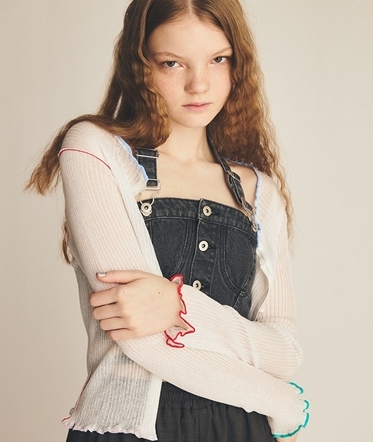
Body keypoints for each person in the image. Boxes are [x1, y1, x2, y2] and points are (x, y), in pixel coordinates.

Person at [27, 0, 309, 441]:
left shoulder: (259, 191)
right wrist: (280, 401)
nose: (199, 84)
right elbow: (139, 338)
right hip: (129, 428)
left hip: (241, 429)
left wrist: (177, 306)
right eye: (172, 63)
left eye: (218, 59)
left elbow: (284, 352)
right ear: (139, 65)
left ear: (239, 63)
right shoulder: (95, 150)